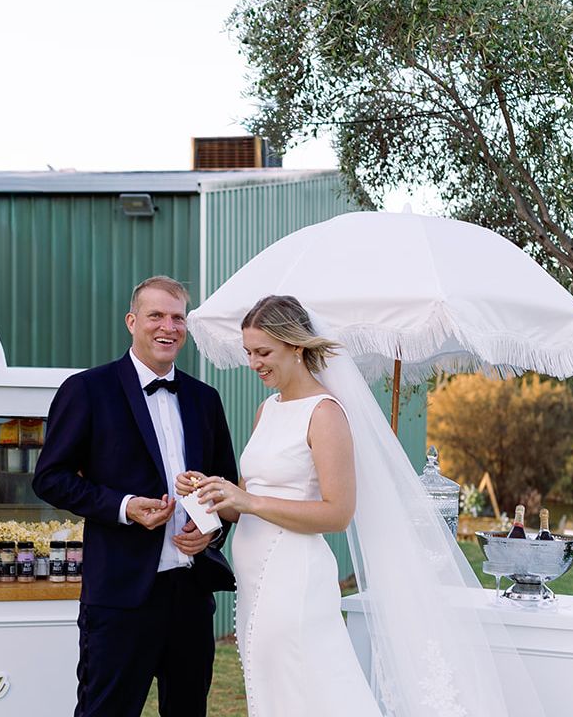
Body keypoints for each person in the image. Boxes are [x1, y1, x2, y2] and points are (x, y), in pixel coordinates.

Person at [180, 295, 546, 717]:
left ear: (296, 346)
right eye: (248, 353)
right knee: (269, 688)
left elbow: (338, 512)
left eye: (263, 352)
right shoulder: (268, 409)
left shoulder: (326, 413)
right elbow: (244, 499)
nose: (254, 363)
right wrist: (212, 490)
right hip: (253, 575)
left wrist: (250, 499)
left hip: (292, 576)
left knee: (303, 691)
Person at [32, 275, 238, 717]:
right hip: (120, 596)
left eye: (178, 317)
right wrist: (124, 507)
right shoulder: (87, 390)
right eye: (156, 315)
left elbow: (227, 487)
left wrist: (211, 531)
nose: (169, 326)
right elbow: (50, 477)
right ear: (132, 321)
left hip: (190, 595)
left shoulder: (206, 400)